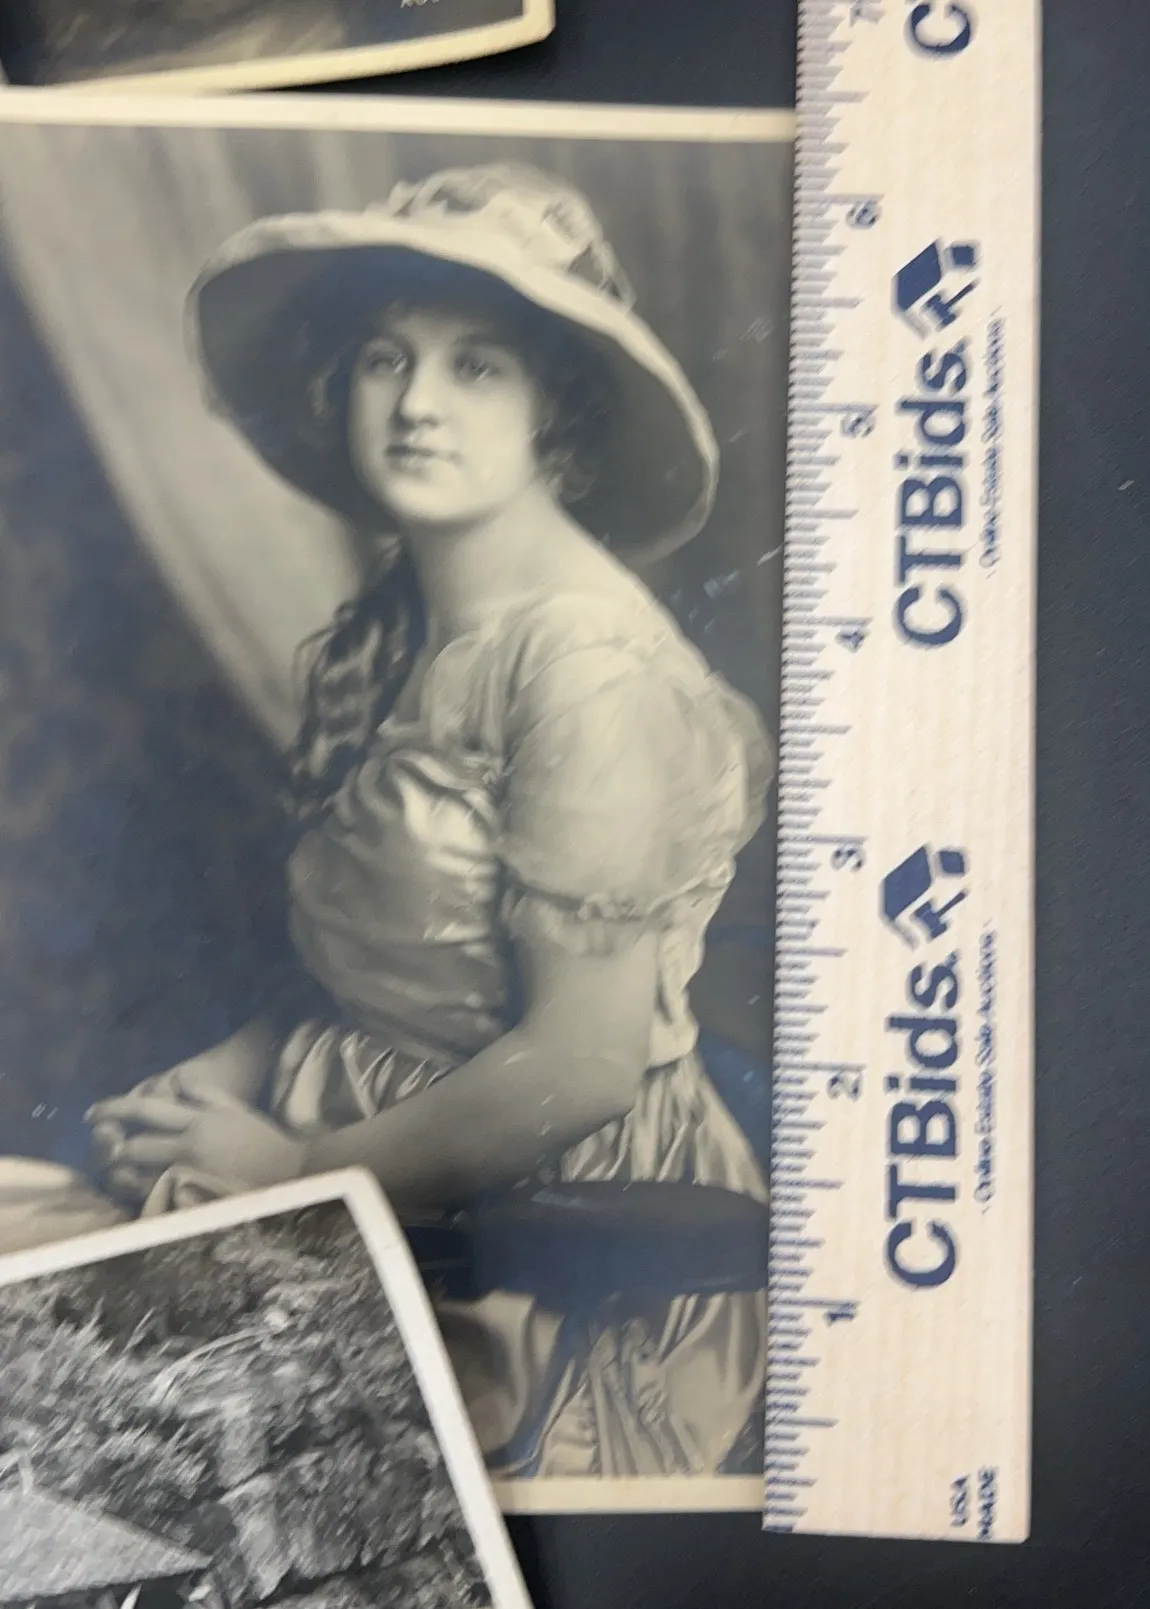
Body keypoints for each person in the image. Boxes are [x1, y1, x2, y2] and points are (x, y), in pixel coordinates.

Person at [0, 165, 772, 1480]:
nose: (417, 404)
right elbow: (393, 957)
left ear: (554, 411)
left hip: (537, 1226)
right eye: (383, 359)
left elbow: (582, 1064)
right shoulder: (410, 624)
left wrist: (297, 1172)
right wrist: (229, 1071)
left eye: (477, 367)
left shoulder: (588, 670)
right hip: (340, 1121)